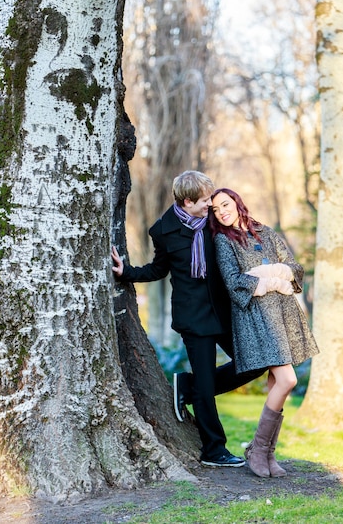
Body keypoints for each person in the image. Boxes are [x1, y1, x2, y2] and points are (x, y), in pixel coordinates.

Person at [111, 171, 266, 467]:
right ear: (188, 201)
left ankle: (187, 387)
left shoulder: (212, 223)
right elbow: (159, 269)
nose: (211, 204)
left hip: (224, 311)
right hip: (193, 316)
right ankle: (213, 449)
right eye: (205, 200)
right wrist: (126, 272)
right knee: (207, 386)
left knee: (255, 363)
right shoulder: (164, 231)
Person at [210, 188, 319, 478]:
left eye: (225, 204)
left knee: (276, 383)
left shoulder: (265, 232)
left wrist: (275, 272)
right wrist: (271, 278)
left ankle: (268, 455)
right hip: (256, 320)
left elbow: (295, 268)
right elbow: (234, 283)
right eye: (216, 209)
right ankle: (257, 450)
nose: (222, 211)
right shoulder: (223, 241)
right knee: (288, 379)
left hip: (282, 315)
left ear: (236, 202)